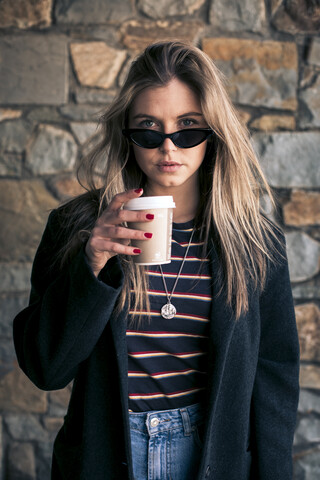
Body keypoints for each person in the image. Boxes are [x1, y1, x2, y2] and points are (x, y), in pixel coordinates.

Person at [13, 41, 299, 480]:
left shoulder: (255, 242)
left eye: (187, 129)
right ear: (126, 133)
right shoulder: (77, 227)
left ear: (214, 132)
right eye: (149, 129)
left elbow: (274, 377)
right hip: (107, 453)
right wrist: (92, 265)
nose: (168, 147)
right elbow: (46, 369)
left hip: (210, 455)